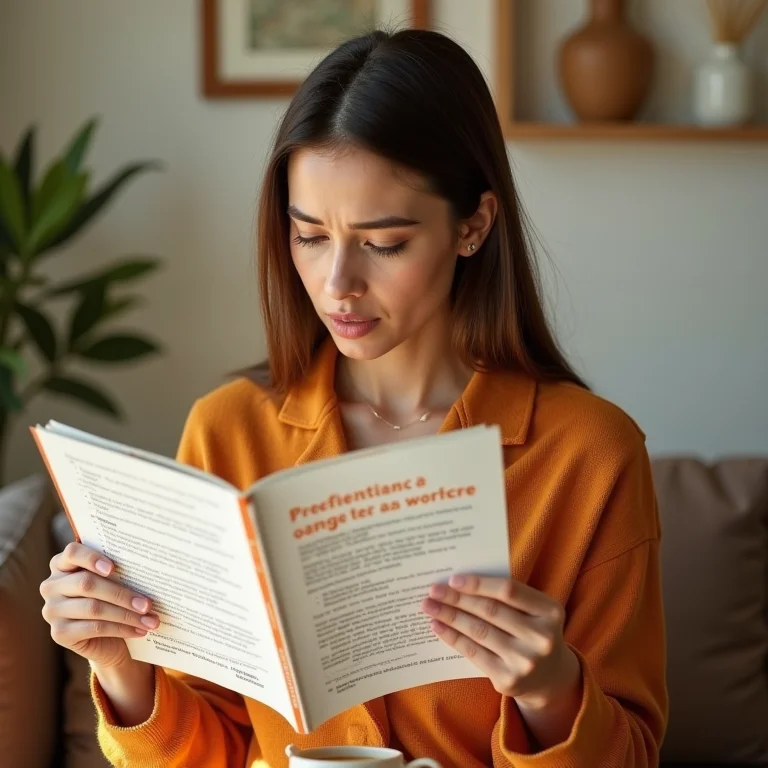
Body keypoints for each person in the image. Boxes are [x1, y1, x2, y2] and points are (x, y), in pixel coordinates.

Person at [39, 28, 668, 768]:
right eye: (309, 235)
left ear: (473, 225)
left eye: (384, 242)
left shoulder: (589, 454)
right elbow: (210, 752)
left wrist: (551, 687)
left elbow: (632, 755)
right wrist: (119, 667)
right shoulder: (227, 432)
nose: (337, 284)